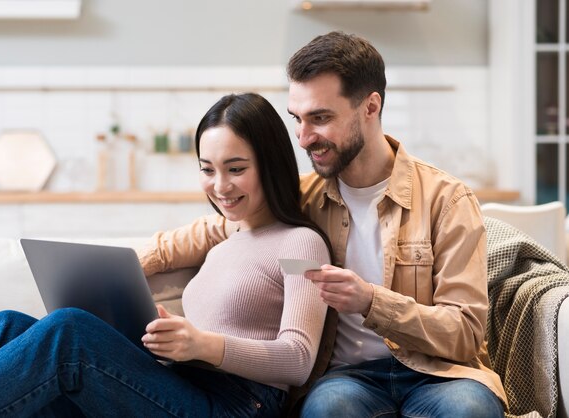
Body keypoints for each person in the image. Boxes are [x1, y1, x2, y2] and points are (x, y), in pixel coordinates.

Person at [138, 31, 508, 418]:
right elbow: (214, 228)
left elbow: (465, 332)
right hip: (347, 377)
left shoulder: (446, 200)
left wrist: (370, 302)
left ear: (370, 107)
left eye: (320, 118)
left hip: (440, 373)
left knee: (470, 410)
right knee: (328, 409)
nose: (302, 138)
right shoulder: (302, 196)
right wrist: (123, 264)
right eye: (297, 119)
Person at [0, 93, 332, 418]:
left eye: (236, 169)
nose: (220, 185)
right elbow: (170, 249)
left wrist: (202, 345)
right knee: (7, 327)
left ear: (271, 164)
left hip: (237, 405)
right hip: (179, 384)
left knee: (69, 331)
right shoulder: (225, 238)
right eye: (207, 170)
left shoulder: (300, 243)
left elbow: (298, 360)